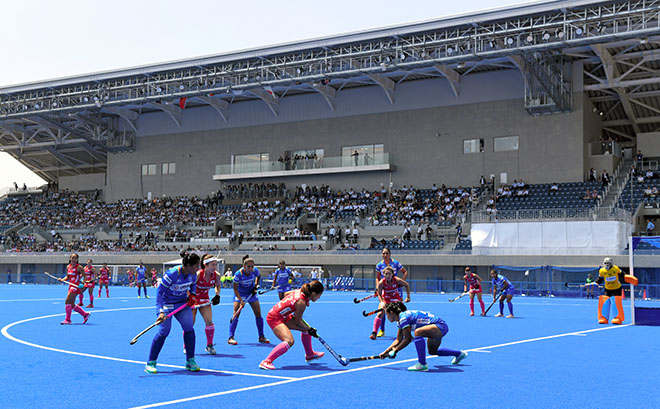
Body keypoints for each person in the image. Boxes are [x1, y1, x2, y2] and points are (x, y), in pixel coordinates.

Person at [145, 251, 200, 374]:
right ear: (188, 265)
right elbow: (160, 293)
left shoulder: (193, 274)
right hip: (166, 304)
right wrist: (161, 311)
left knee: (189, 328)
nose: (198, 269)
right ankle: (151, 362)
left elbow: (193, 285)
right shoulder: (172, 274)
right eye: (196, 266)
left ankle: (190, 361)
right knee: (164, 331)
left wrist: (192, 295)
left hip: (181, 304)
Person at [378, 301, 467, 372]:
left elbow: (408, 339)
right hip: (435, 329)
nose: (387, 317)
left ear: (391, 313)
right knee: (432, 351)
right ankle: (459, 354)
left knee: (418, 332)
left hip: (440, 326)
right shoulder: (400, 321)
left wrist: (395, 350)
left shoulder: (403, 318)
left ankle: (422, 364)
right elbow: (398, 340)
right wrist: (386, 352)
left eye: (387, 314)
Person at [259, 280, 325, 370]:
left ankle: (309, 354)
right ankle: (266, 361)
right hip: (274, 318)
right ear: (313, 293)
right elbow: (298, 323)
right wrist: (310, 329)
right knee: (289, 341)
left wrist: (289, 308)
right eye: (319, 295)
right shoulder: (301, 303)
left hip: (283, 315)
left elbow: (286, 294)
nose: (319, 297)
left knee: (306, 330)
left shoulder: (300, 291)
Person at [229, 257, 270, 345]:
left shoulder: (255, 271)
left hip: (251, 293)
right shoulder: (238, 274)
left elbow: (258, 276)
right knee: (236, 313)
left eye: (252, 266)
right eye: (248, 267)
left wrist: (255, 286)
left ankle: (261, 336)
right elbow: (235, 289)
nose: (250, 268)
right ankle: (230, 337)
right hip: (240, 293)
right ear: (244, 266)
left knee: (258, 313)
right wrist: (241, 300)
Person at [374, 248, 409, 337]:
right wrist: (377, 288)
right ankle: (382, 330)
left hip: (396, 290)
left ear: (390, 254)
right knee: (383, 309)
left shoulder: (396, 263)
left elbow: (405, 272)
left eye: (387, 253)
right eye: (383, 253)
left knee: (400, 311)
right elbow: (377, 278)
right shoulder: (379, 265)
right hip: (385, 289)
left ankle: (402, 331)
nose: (385, 255)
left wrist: (400, 283)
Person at [192, 254, 222, 355]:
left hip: (205, 299)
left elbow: (217, 285)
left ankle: (209, 345)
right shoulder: (198, 274)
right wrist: (190, 297)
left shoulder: (216, 275)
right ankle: (187, 345)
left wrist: (217, 295)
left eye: (215, 265)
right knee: (190, 324)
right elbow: (189, 286)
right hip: (193, 299)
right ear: (205, 265)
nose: (214, 267)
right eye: (212, 265)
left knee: (209, 322)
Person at [370, 266, 410, 340]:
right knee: (380, 313)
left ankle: (407, 333)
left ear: (392, 274)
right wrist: (382, 302)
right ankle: (374, 333)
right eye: (386, 274)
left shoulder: (397, 280)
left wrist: (408, 297)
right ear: (384, 275)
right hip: (386, 300)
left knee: (403, 314)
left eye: (389, 274)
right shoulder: (381, 283)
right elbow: (379, 294)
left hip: (396, 299)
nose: (388, 275)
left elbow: (407, 285)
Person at [596, 257, 638, 325]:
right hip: (607, 288)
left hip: (617, 288)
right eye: (606, 263)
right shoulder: (602, 270)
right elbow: (600, 278)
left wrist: (627, 277)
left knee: (616, 301)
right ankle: (603, 317)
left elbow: (622, 273)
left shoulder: (615, 268)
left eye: (608, 263)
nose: (607, 264)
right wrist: (596, 283)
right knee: (605, 301)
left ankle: (618, 318)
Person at [57, 253, 91, 325]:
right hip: (70, 286)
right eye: (72, 258)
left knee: (67, 301)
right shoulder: (68, 267)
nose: (74, 259)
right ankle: (85, 314)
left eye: (75, 258)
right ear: (70, 258)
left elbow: (85, 276)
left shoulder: (79, 267)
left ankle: (68, 320)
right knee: (72, 304)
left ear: (77, 259)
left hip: (75, 286)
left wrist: (83, 283)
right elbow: (67, 277)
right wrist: (62, 279)